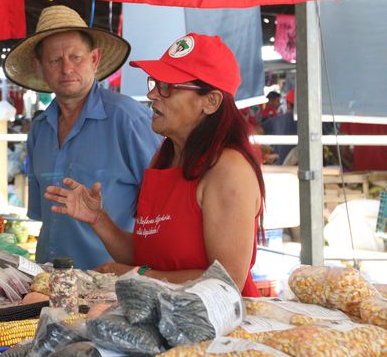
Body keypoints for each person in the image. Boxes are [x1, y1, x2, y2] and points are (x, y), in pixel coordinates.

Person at [44, 33, 264, 297]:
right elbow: (148, 254)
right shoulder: (164, 158)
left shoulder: (228, 169)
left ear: (211, 101)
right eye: (155, 83)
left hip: (217, 329)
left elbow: (226, 281)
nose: (152, 94)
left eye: (167, 87)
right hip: (166, 321)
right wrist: (98, 219)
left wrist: (138, 276)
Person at [3, 5, 160, 270]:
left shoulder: (128, 119)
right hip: (49, 282)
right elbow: (44, 216)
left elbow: (164, 212)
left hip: (111, 284)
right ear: (39, 66)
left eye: (76, 57)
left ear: (94, 60)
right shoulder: (40, 129)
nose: (66, 69)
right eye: (55, 60)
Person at [262, 89, 297, 165]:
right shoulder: (313, 122)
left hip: (281, 167)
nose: (279, 104)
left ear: (288, 104)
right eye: (278, 101)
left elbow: (259, 130)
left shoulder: (278, 119)